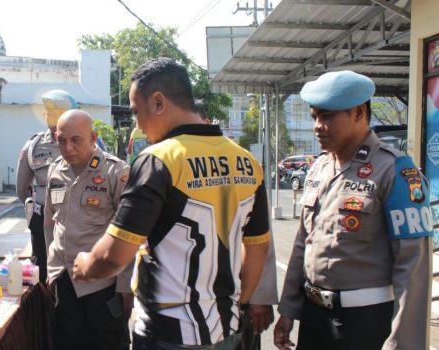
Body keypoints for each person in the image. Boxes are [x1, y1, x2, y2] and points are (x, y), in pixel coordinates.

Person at [73, 57, 271, 349]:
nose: (137, 124)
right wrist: (237, 303)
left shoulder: (160, 160)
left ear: (158, 102)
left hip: (167, 333)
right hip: (226, 331)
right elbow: (257, 248)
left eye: (136, 111)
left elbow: (112, 257)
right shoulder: (247, 161)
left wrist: (85, 265)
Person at [273, 70, 432, 350]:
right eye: (314, 117)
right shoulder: (319, 168)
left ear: (359, 113)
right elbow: (304, 242)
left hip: (365, 324)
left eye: (327, 116)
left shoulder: (395, 171)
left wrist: (400, 342)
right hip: (314, 319)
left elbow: (413, 266)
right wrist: (289, 309)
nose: (318, 126)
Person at [44, 109, 132, 350]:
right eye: (61, 140)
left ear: (93, 138)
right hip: (65, 281)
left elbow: (129, 234)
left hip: (102, 284)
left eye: (76, 140)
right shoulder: (55, 171)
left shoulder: (116, 172)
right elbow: (50, 223)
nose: (67, 147)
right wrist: (51, 270)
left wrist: (125, 285)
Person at [16, 89, 77, 283]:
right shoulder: (33, 146)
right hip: (42, 221)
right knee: (42, 271)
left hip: (78, 221)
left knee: (74, 271)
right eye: (48, 112)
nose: (51, 116)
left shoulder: (90, 143)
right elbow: (21, 187)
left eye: (56, 111)